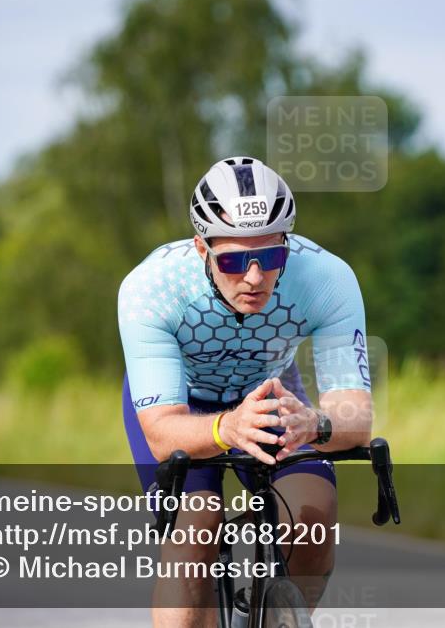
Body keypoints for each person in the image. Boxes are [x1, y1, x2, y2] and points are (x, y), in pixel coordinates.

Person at [118, 156, 372, 627]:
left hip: (272, 396)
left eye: (270, 258)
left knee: (313, 517)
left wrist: (316, 423)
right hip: (182, 405)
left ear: (287, 246)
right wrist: (227, 426)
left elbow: (355, 418)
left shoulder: (327, 280)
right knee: (197, 530)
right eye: (233, 260)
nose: (254, 277)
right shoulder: (151, 289)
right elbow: (160, 431)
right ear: (202, 249)